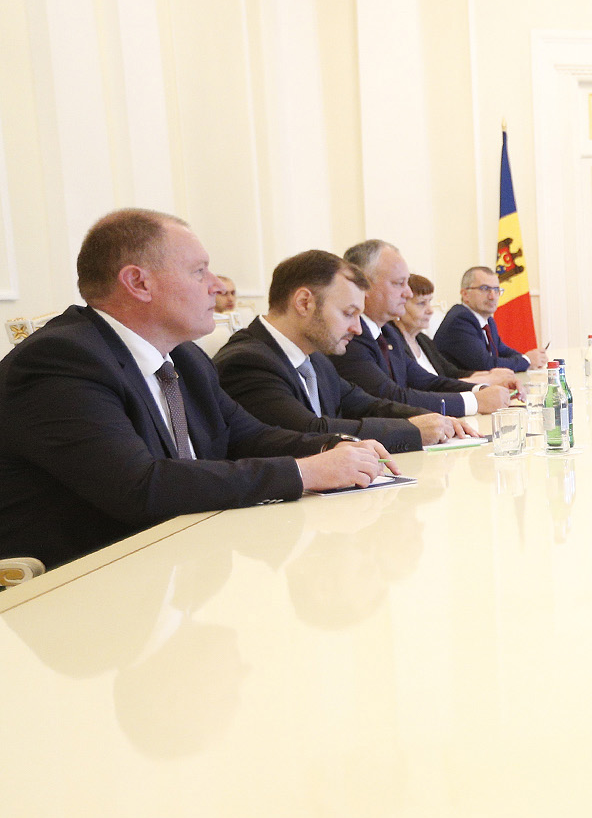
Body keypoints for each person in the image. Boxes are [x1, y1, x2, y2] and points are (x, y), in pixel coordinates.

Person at [0, 209, 394, 571]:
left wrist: (334, 447)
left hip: (179, 561)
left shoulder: (184, 357)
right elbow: (140, 487)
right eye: (199, 271)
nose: (217, 286)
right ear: (138, 283)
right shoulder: (61, 359)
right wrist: (305, 472)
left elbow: (248, 435)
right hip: (81, 581)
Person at [214, 251, 480, 453]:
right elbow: (309, 430)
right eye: (348, 313)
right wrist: (411, 430)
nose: (357, 328)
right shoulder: (247, 361)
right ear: (304, 303)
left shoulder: (315, 358)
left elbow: (367, 403)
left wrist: (431, 418)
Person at [334, 240, 513, 417]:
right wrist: (475, 401)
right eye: (399, 283)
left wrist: (481, 389)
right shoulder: (350, 337)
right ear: (365, 285)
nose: (408, 293)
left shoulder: (388, 333)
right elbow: (391, 397)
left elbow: (427, 382)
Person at [396, 273, 518, 389]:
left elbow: (451, 373)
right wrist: (487, 379)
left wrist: (489, 374)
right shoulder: (394, 344)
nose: (430, 310)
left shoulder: (422, 339)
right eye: (421, 303)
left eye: (430, 302)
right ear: (399, 305)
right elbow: (431, 385)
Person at [433, 266, 531, 373]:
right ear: (465, 294)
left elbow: (502, 351)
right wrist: (526, 361)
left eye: (496, 290)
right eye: (484, 289)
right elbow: (486, 365)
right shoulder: (460, 320)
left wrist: (524, 358)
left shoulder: (488, 321)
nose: (492, 296)